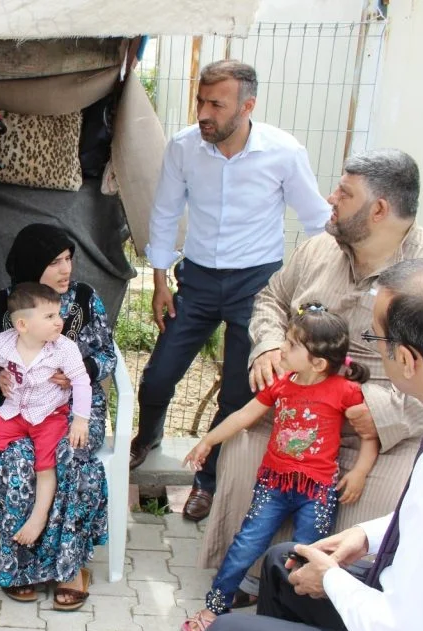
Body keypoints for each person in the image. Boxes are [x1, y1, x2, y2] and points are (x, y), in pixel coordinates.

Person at [198, 149, 423, 607]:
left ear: (379, 210)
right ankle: (251, 577)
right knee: (244, 448)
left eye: (344, 193)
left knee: (396, 489)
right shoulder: (317, 249)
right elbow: (271, 299)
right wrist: (269, 345)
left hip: (385, 425)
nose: (330, 198)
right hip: (298, 405)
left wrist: (378, 411)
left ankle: (351, 597)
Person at [200, 257, 423, 631]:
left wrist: (332, 580)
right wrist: (365, 535)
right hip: (398, 613)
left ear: (406, 358)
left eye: (375, 336)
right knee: (283, 561)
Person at [131, 59, 331, 523]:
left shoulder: (283, 152)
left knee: (237, 394)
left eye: (216, 105)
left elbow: (316, 220)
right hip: (197, 280)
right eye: (200, 101)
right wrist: (159, 280)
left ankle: (208, 481)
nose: (203, 113)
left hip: (257, 287)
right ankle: (148, 438)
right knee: (158, 375)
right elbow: (165, 212)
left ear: (247, 106)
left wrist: (312, 286)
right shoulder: (184, 147)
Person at [180, 302, 377, 631]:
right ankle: (215, 607)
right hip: (272, 486)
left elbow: (369, 436)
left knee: (306, 557)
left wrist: (358, 472)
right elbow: (244, 415)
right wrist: (208, 441)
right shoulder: (282, 384)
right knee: (245, 545)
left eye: (291, 344)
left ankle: (291, 624)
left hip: (317, 494)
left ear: (317, 362)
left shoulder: (346, 391)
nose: (281, 348)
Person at [0, 223, 116, 610]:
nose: (66, 269)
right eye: (54, 262)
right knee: (16, 459)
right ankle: (20, 565)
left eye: (68, 259)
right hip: (20, 410)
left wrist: (83, 372)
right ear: (30, 264)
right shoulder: (1, 306)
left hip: (75, 410)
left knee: (69, 456)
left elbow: (107, 353)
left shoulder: (84, 300)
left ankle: (70, 567)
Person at [0, 282, 92, 552]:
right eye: (49, 316)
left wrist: (81, 419)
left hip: (49, 414)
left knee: (45, 464)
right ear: (22, 325)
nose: (58, 322)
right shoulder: (3, 345)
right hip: (15, 410)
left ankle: (39, 516)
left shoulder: (63, 348)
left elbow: (81, 381)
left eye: (59, 314)